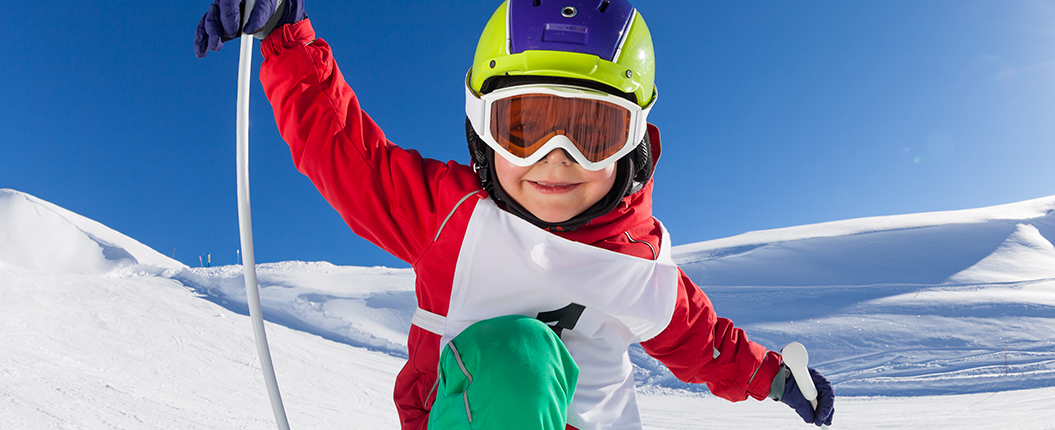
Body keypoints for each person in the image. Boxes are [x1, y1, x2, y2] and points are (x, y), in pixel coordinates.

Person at [194, 1, 836, 429]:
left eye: (592, 131)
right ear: (483, 133)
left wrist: (777, 379)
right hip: (476, 411)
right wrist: (282, 33)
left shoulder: (639, 264)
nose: (556, 161)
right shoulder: (451, 217)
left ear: (632, 144)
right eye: (524, 128)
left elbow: (707, 344)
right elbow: (343, 150)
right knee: (516, 352)